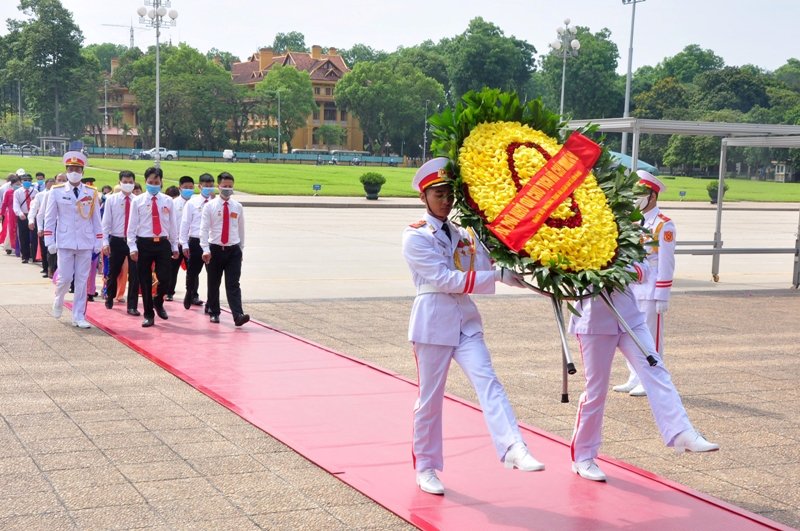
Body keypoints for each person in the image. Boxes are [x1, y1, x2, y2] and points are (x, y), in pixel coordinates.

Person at [403, 158, 544, 496]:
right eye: (439, 194)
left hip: (465, 322)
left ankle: (513, 447)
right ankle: (426, 467)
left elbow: (487, 264)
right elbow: (445, 279)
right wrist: (495, 275)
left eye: (450, 193)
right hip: (433, 322)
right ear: (424, 197)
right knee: (430, 400)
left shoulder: (465, 232)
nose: (446, 200)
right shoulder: (415, 236)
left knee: (488, 381)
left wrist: (519, 270)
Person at [568, 281, 718, 482]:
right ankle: (583, 456)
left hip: (629, 317)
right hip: (594, 321)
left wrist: (630, 272)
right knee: (596, 391)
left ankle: (681, 431)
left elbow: (644, 265)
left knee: (656, 370)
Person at [614, 172, 677, 397]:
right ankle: (634, 375)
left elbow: (666, 262)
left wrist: (663, 295)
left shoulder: (663, 225)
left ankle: (651, 379)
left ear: (652, 196)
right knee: (631, 334)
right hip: (632, 288)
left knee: (650, 337)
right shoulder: (633, 221)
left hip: (651, 289)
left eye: (641, 193)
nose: (636, 198)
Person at [44, 151, 102, 329]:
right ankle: (59, 299)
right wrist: (49, 241)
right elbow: (50, 218)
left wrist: (99, 240)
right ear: (66, 171)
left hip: (85, 241)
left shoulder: (91, 192)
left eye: (77, 169)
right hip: (65, 240)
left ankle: (78, 316)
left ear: (83, 172)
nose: (74, 172)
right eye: (71, 169)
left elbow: (96, 219)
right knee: (65, 278)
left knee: (82, 280)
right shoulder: (57, 191)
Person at [127, 167, 180, 327]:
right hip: (144, 243)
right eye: (150, 182)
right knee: (145, 280)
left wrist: (175, 245)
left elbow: (172, 225)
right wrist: (132, 247)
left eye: (156, 182)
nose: (154, 185)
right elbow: (132, 226)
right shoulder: (138, 200)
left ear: (161, 182)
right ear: (145, 182)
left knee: (166, 278)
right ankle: (148, 314)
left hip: (163, 243)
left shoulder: (168, 201)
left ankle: (158, 300)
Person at [199, 172, 249, 327]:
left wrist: (241, 249)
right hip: (215, 249)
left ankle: (238, 315)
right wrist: (205, 249)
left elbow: (241, 229)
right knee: (214, 282)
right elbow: (204, 229)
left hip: (233, 250)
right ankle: (214, 311)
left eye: (230, 187)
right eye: (224, 186)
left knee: (233, 283)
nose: (227, 189)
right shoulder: (210, 206)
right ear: (218, 186)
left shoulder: (237, 207)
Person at [102, 170, 140, 316]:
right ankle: (110, 296)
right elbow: (106, 222)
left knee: (135, 273)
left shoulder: (138, 200)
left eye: (131, 182)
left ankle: (132, 306)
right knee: (114, 271)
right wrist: (105, 242)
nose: (128, 185)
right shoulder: (111, 200)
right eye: (125, 182)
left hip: (134, 241)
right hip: (117, 240)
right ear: (119, 183)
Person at [180, 173, 215, 310]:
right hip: (195, 241)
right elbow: (184, 224)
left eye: (211, 186)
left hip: (212, 242)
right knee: (192, 272)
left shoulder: (215, 203)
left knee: (213, 274)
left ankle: (211, 304)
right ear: (200, 187)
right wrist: (184, 243)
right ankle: (190, 293)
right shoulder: (192, 203)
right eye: (206, 187)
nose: (208, 189)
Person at [166, 176, 194, 301]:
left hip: (191, 241)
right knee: (172, 269)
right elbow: (169, 223)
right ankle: (169, 292)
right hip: (176, 242)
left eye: (191, 188)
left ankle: (193, 294)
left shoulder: (195, 203)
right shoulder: (173, 203)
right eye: (185, 188)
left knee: (193, 270)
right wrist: (173, 240)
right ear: (180, 188)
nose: (188, 190)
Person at [38, 173, 67, 277]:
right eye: (59, 179)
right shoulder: (49, 194)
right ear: (55, 181)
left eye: (64, 180)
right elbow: (41, 214)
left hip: (64, 228)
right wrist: (41, 228)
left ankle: (59, 272)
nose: (61, 182)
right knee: (51, 251)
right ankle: (51, 268)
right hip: (52, 226)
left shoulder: (70, 193)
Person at [29, 177, 55, 277]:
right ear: (46, 185)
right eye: (50, 183)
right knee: (45, 248)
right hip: (45, 222)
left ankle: (53, 269)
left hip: (57, 224)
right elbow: (35, 209)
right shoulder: (40, 195)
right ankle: (46, 268)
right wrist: (32, 221)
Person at [12, 173, 38, 264]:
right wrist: (20, 213)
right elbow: (16, 205)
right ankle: (25, 256)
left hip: (33, 216)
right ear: (21, 181)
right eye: (25, 180)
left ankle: (35, 256)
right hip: (23, 215)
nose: (27, 182)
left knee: (35, 236)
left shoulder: (35, 191)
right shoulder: (17, 192)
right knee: (24, 236)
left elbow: (37, 204)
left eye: (29, 180)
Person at [1, 175, 21, 256]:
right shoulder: (8, 192)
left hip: (19, 212)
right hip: (10, 213)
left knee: (18, 229)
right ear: (12, 185)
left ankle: (18, 246)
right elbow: (4, 203)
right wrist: (1, 214)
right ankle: (9, 247)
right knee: (10, 229)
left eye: (19, 184)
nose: (18, 186)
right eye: (16, 184)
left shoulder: (21, 192)